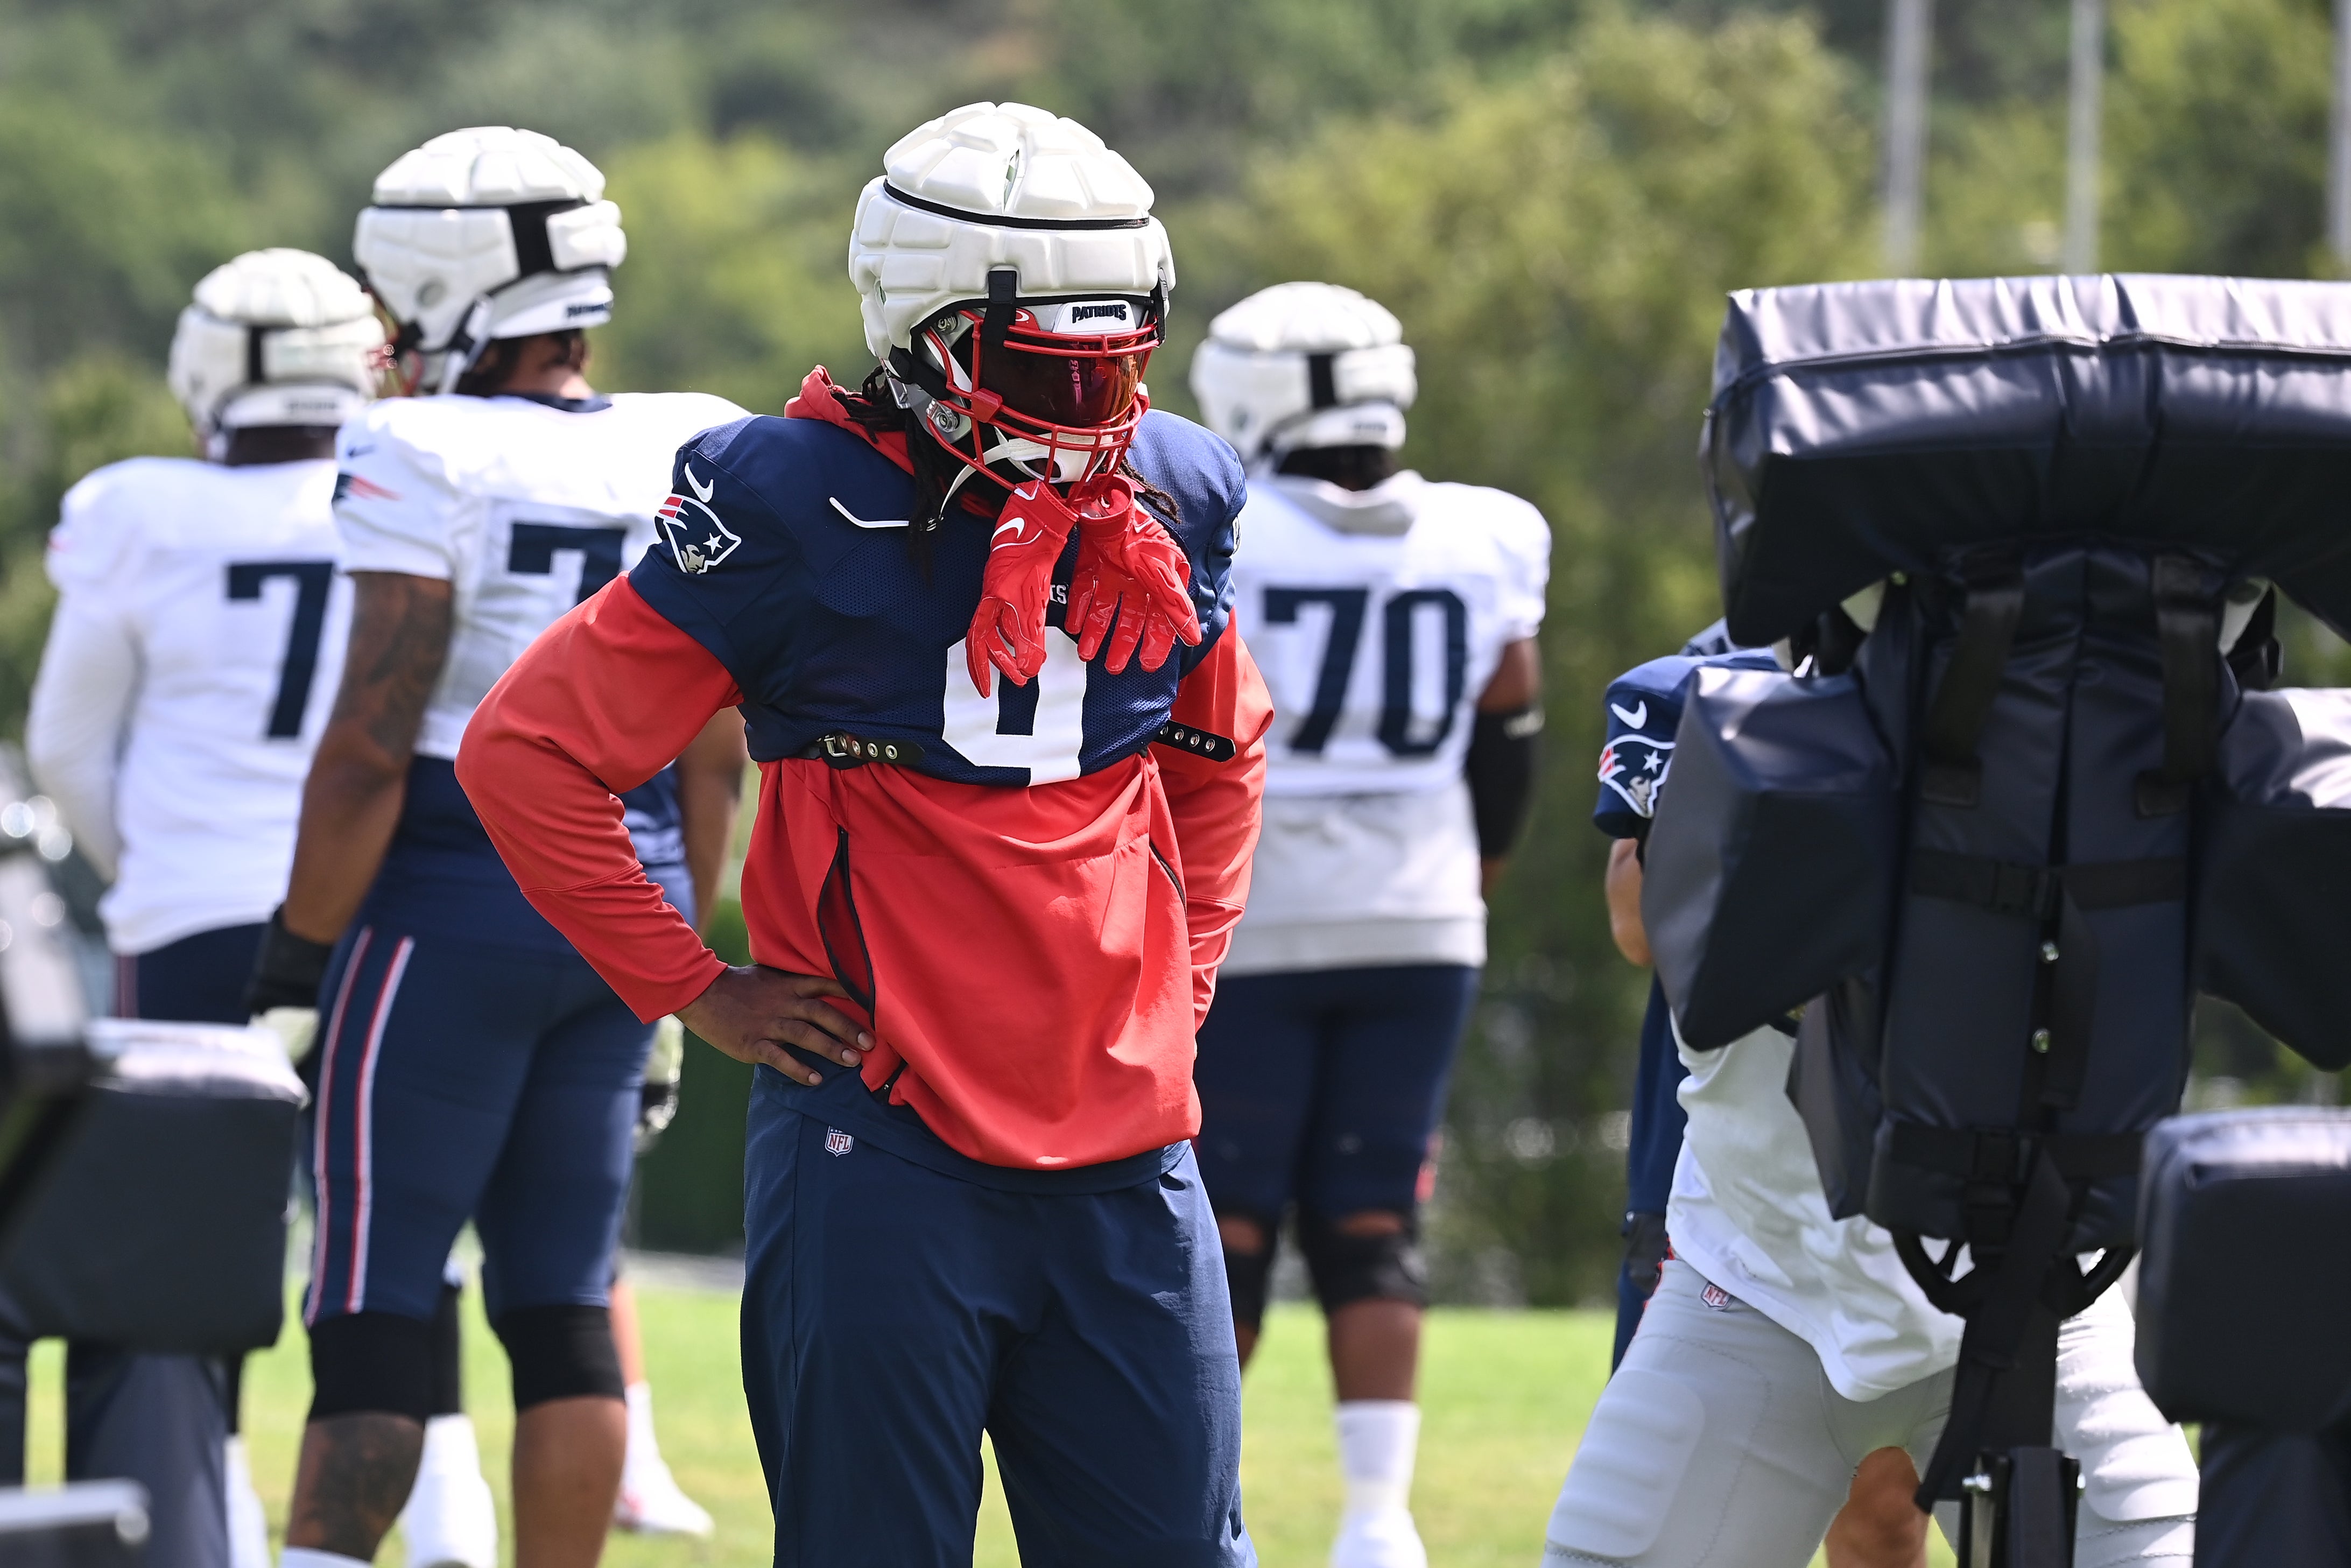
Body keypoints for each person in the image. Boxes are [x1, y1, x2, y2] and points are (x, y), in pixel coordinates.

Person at [456, 101, 1271, 1565]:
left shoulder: (1176, 491)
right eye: (1049, 364)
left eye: (1121, 356)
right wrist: (690, 982)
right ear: (925, 333)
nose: (1095, 407)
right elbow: (529, 752)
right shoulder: (789, 499)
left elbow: (1221, 753)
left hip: (1131, 1148)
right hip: (885, 1142)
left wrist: (1183, 981)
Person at [238, 125, 748, 1568]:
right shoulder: (690, 439)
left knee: (375, 1299)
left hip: (451, 901)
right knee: (567, 1308)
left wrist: (294, 959)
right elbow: (717, 746)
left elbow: (367, 743)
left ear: (442, 290)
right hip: (627, 895)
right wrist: (677, 957)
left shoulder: (419, 445)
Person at [1540, 638, 2200, 1568]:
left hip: (2041, 1293)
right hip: (1760, 1280)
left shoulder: (2105, 706)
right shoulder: (1715, 702)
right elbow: (1646, 919)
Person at [20, 245, 383, 1568]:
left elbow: (65, 745)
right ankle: (427, 1522)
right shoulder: (412, 485)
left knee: (169, 1258)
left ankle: (197, 1523)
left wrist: (143, 871)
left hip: (189, 922)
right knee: (386, 1239)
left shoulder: (137, 507)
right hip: (367, 912)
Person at [1182, 281, 1548, 1568]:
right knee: (1376, 1213)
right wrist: (1470, 880)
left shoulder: (1232, 530)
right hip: (1426, 913)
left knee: (1224, 1218)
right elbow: (1511, 736)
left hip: (1256, 916)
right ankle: (1378, 1523)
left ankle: (1195, 1497)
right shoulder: (1490, 531)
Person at [1595, 622, 1772, 1372]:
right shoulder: (1716, 666)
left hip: (1895, 1147)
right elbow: (1638, 923)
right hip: (1707, 1144)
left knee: (1896, 1481)